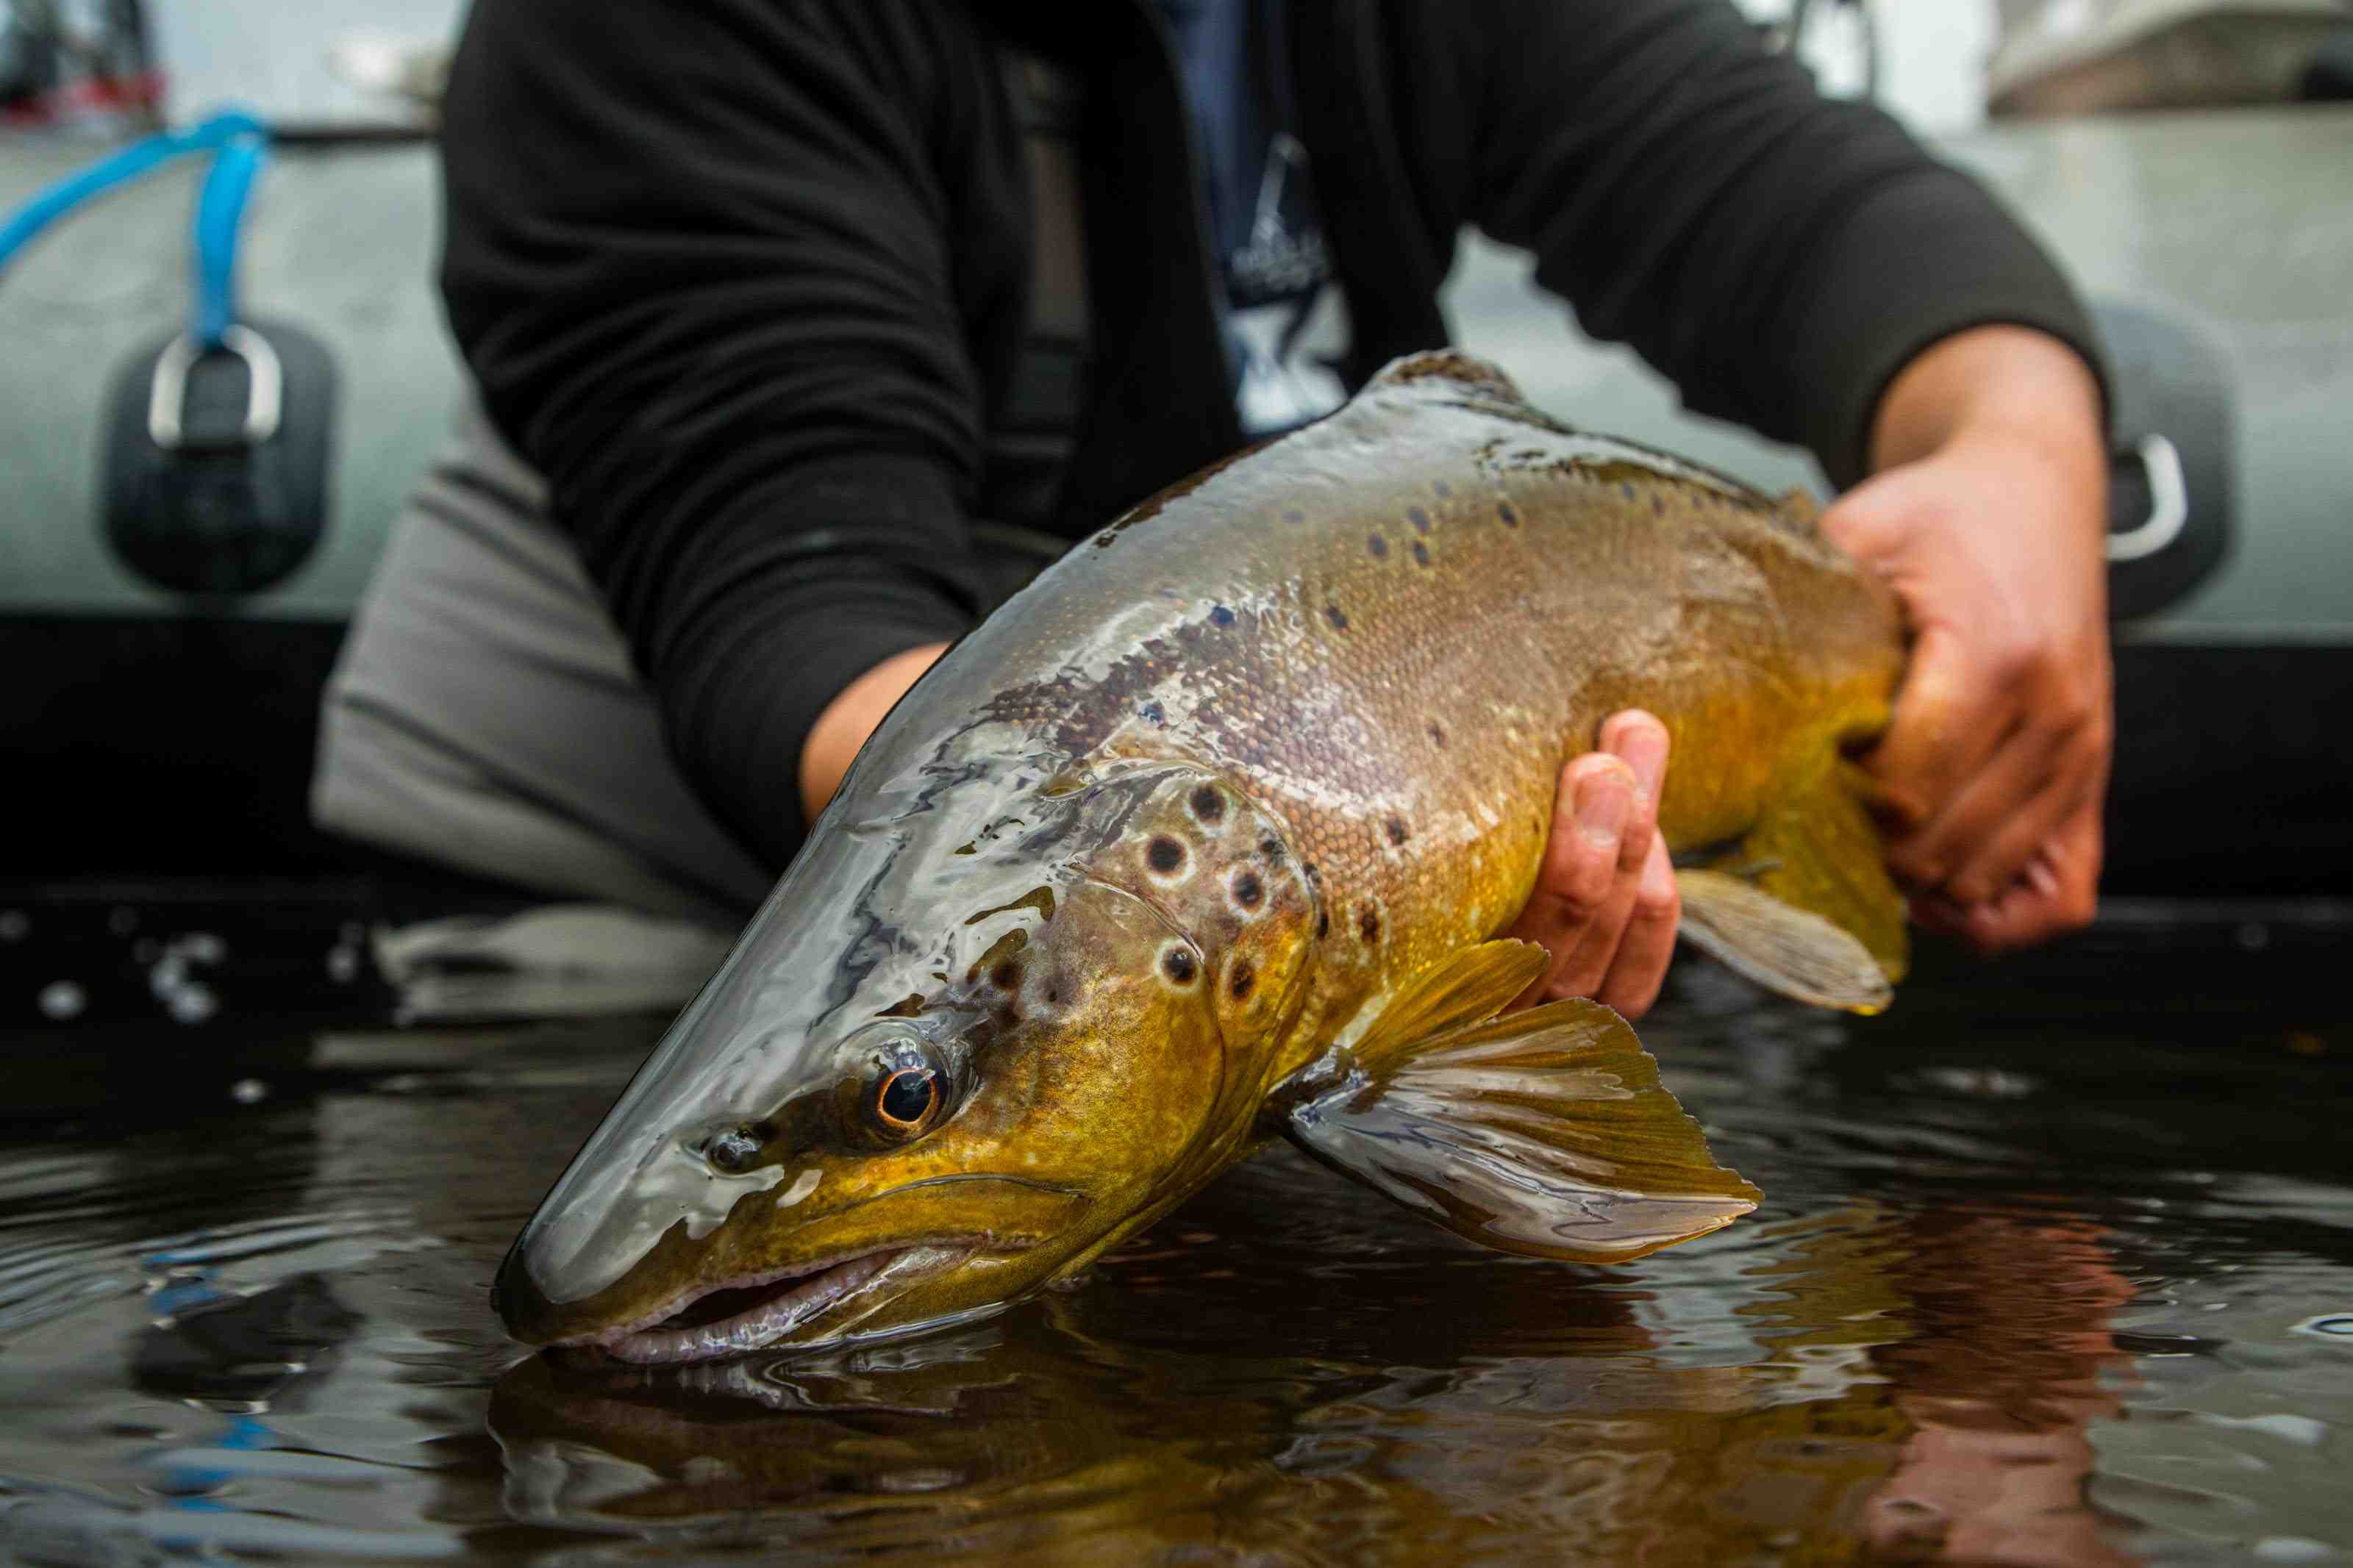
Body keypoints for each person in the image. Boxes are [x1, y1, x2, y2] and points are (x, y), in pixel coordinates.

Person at [315, 0, 2112, 1020]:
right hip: (647, 895)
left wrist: (2016, 460)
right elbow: (793, 605)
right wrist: (1340, 878)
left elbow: (1809, 215)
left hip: (1210, 881)